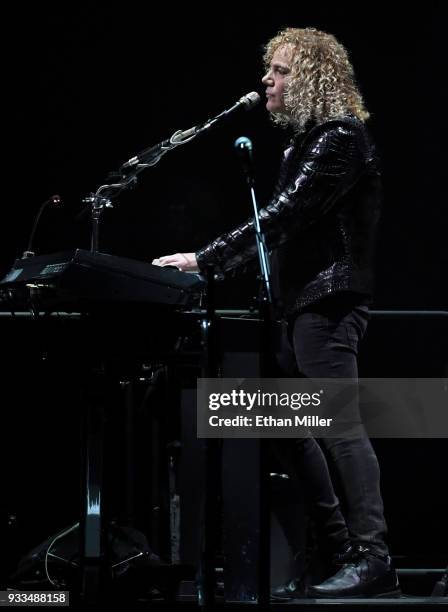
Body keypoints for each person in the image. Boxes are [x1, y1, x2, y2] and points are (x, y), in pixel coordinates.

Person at [153, 27, 400, 599]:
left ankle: (373, 554)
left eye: (283, 70)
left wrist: (204, 259)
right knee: (287, 426)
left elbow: (283, 217)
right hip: (299, 306)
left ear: (313, 78)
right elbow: (280, 233)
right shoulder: (307, 143)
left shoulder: (341, 138)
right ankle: (339, 545)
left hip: (328, 302)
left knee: (339, 426)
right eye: (271, 69)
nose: (268, 79)